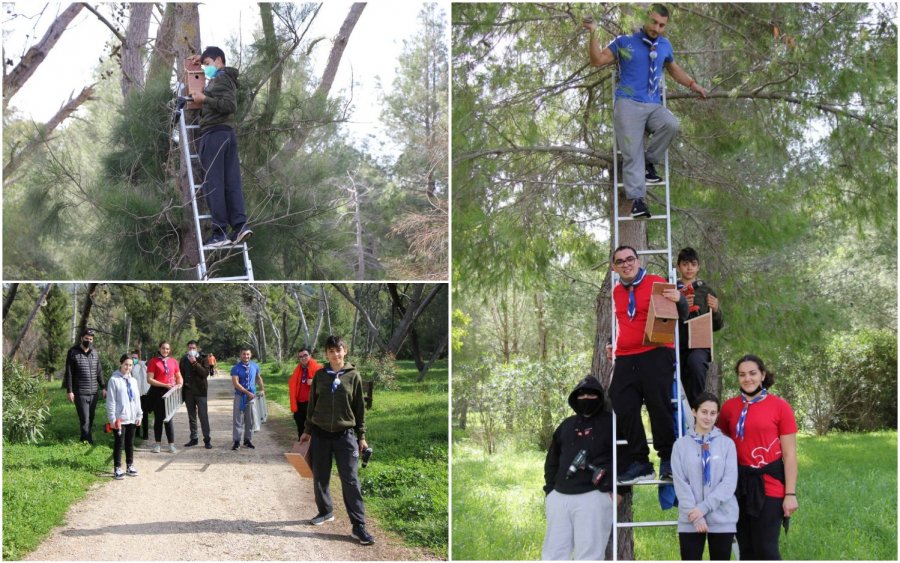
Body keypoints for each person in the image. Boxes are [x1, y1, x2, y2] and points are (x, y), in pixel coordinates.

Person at [583, 4, 708, 218]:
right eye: (654, 22)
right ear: (645, 18)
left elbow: (674, 69)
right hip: (628, 103)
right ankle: (638, 201)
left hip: (653, 105)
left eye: (662, 25)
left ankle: (650, 162)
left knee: (671, 124)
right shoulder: (625, 42)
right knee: (632, 152)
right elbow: (597, 61)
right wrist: (594, 32)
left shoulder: (665, 45)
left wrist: (693, 85)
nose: (657, 28)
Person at [607, 245, 688, 484]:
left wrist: (680, 299)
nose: (626, 264)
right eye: (620, 261)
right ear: (614, 267)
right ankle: (641, 462)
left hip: (655, 351)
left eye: (630, 259)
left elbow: (680, 313)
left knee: (657, 402)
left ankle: (667, 458)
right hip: (625, 355)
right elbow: (623, 322)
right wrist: (612, 344)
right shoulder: (616, 292)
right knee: (620, 399)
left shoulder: (655, 282)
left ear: (638, 261)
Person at [716, 355, 798, 560]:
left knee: (766, 548)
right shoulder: (729, 408)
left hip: (769, 486)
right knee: (746, 549)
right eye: (742, 374)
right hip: (739, 486)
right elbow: (722, 445)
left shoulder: (780, 406)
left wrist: (791, 494)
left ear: (762, 375)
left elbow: (789, 454)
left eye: (752, 373)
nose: (747, 379)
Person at [300, 335, 374, 546]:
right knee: (320, 476)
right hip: (321, 434)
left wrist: (362, 436)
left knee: (350, 480)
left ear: (345, 351)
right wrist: (307, 430)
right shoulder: (320, 375)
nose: (335, 354)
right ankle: (325, 511)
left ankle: (358, 526)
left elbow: (359, 409)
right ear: (326, 354)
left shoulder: (354, 376)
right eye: (331, 351)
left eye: (338, 350)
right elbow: (312, 406)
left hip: (345, 436)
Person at [541, 376, 619, 560]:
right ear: (574, 398)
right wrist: (550, 491)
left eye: (592, 395)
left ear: (600, 398)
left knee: (589, 556)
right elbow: (551, 459)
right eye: (582, 395)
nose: (586, 399)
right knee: (554, 554)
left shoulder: (612, 423)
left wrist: (620, 491)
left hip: (593, 497)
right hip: (559, 498)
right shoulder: (566, 425)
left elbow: (626, 456)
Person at [187, 46, 252, 248]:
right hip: (227, 135)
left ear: (219, 61)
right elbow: (222, 100)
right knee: (231, 183)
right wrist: (201, 59)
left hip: (215, 134)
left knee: (214, 184)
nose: (205, 69)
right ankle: (240, 227)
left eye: (207, 64)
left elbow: (229, 105)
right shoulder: (224, 78)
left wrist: (204, 98)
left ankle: (220, 232)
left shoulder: (221, 77)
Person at [671, 392, 738, 560]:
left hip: (722, 517)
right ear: (694, 412)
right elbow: (680, 483)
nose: (708, 417)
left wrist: (704, 508)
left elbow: (729, 482)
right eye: (704, 412)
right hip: (690, 517)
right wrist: (695, 515)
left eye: (713, 413)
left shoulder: (727, 444)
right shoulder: (680, 446)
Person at [675, 247, 724, 406]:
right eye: (685, 264)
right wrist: (680, 306)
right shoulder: (671, 289)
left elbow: (717, 325)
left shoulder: (706, 290)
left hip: (700, 345)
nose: (689, 268)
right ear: (678, 266)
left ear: (698, 266)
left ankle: (697, 410)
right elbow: (663, 319)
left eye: (693, 264)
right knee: (677, 382)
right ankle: (681, 417)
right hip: (676, 344)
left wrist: (716, 310)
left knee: (696, 365)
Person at [64, 328, 106, 444]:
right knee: (85, 418)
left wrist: (103, 387)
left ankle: (84, 439)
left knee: (91, 418)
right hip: (80, 392)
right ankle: (88, 440)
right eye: (86, 338)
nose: (88, 341)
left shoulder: (95, 353)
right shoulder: (73, 352)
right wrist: (70, 391)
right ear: (81, 338)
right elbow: (69, 373)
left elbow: (99, 372)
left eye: (91, 339)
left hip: (93, 392)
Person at [106, 354, 143, 480]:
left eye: (130, 365)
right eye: (126, 364)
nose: (128, 367)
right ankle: (117, 467)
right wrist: (112, 419)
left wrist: (139, 415)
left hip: (132, 418)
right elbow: (111, 401)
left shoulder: (133, 381)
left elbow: (137, 399)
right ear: (121, 364)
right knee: (119, 443)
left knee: (130, 443)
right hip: (120, 419)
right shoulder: (114, 380)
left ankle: (130, 465)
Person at [146, 341, 183, 454]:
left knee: (169, 419)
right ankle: (157, 445)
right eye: (163, 348)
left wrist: (180, 384)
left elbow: (178, 376)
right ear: (159, 349)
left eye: (167, 348)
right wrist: (164, 385)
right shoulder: (153, 361)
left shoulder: (173, 361)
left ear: (169, 350)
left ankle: (171, 445)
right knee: (158, 419)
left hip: (169, 393)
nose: (165, 350)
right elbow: (150, 379)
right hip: (157, 393)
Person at [230, 346, 265, 450]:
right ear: (240, 355)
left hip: (252, 397)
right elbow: (235, 383)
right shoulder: (236, 368)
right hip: (240, 396)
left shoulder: (255, 366)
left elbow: (258, 378)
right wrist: (246, 392)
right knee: (238, 419)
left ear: (251, 355)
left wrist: (262, 389)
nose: (246, 356)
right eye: (244, 354)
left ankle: (247, 440)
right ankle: (236, 441)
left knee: (250, 419)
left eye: (248, 354)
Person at [179, 340, 212, 449]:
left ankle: (207, 439)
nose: (191, 350)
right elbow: (180, 375)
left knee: (203, 416)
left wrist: (195, 363)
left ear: (197, 348)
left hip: (201, 392)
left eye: (193, 348)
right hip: (189, 392)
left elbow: (205, 373)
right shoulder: (184, 359)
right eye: (190, 348)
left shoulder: (204, 358)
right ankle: (194, 438)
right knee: (191, 417)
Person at [288, 347, 321, 440]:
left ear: (310, 355)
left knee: (313, 430)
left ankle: (313, 452)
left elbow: (325, 384)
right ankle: (302, 452)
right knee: (301, 429)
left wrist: (314, 381)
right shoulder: (298, 370)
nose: (303, 358)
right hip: (299, 404)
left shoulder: (319, 368)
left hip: (312, 404)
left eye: (305, 355)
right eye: (300, 356)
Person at [132, 348, 152, 440]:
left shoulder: (144, 365)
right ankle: (136, 433)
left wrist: (141, 365)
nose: (133, 359)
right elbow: (134, 375)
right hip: (135, 394)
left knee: (144, 414)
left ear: (139, 357)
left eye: (135, 358)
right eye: (132, 358)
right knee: (136, 413)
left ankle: (145, 434)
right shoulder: (131, 366)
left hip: (144, 393)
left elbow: (148, 376)